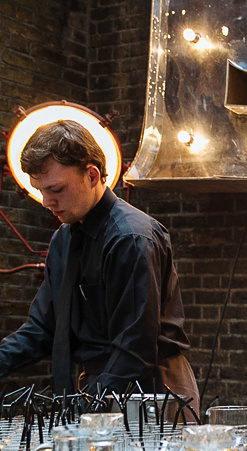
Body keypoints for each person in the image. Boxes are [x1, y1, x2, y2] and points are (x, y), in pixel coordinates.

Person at [0, 120, 199, 411]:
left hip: (150, 392)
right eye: (40, 190)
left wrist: (84, 408)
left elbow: (135, 349)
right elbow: (42, 329)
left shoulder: (131, 237)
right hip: (101, 387)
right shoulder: (63, 239)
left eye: (56, 189)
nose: (45, 201)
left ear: (92, 175)